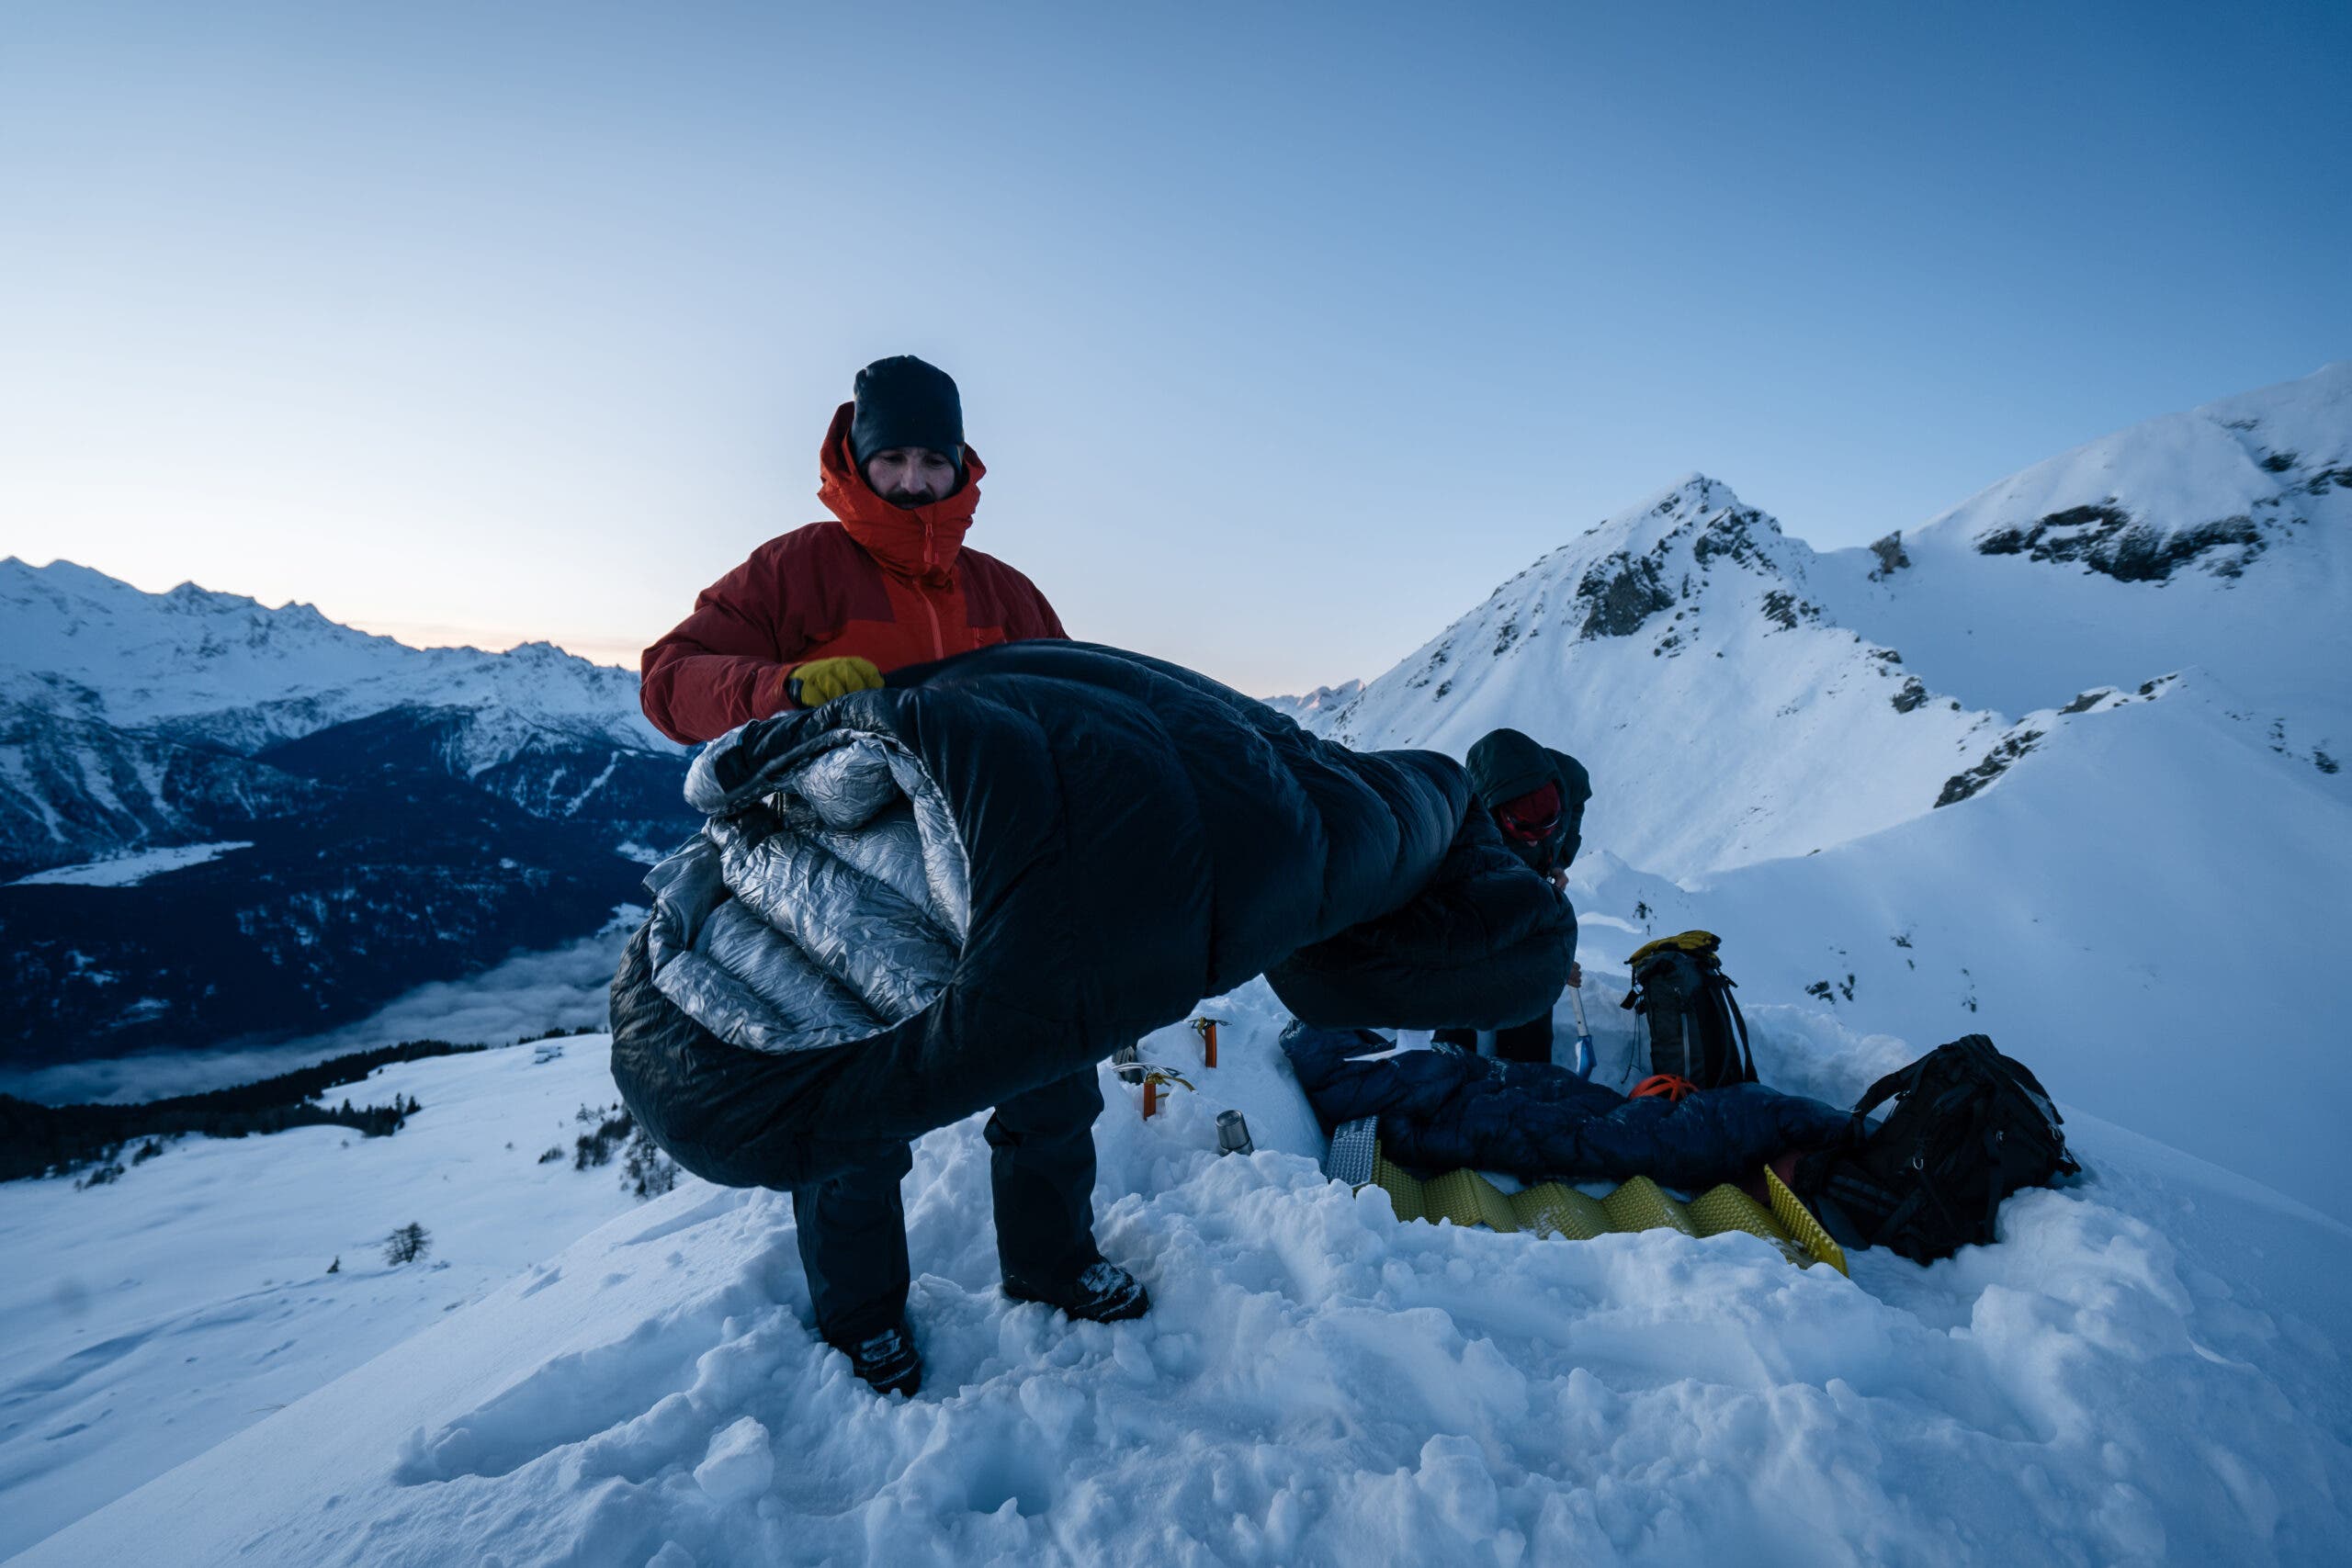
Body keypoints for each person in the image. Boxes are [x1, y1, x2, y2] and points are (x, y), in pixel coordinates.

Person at [639, 355, 1148, 1398]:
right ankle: (863, 1313)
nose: (915, 481)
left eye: (932, 458)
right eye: (894, 458)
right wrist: (777, 685)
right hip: (835, 883)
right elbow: (668, 683)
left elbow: (1075, 715)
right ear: (856, 460)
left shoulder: (1004, 592)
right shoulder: (795, 571)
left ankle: (1052, 1264)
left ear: (961, 462)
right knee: (852, 1107)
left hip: (995, 871)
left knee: (1052, 1076)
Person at [1432, 727, 1593, 1065]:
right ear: (1496, 813)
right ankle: (1449, 1067)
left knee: (1532, 1000)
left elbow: (1575, 801)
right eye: (1524, 830)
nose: (1535, 839)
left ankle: (1526, 1074)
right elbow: (1489, 921)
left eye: (1547, 826)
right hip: (1469, 912)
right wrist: (1553, 959)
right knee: (1461, 984)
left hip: (1526, 876)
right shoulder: (1467, 835)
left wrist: (1558, 860)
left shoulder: (1568, 778)